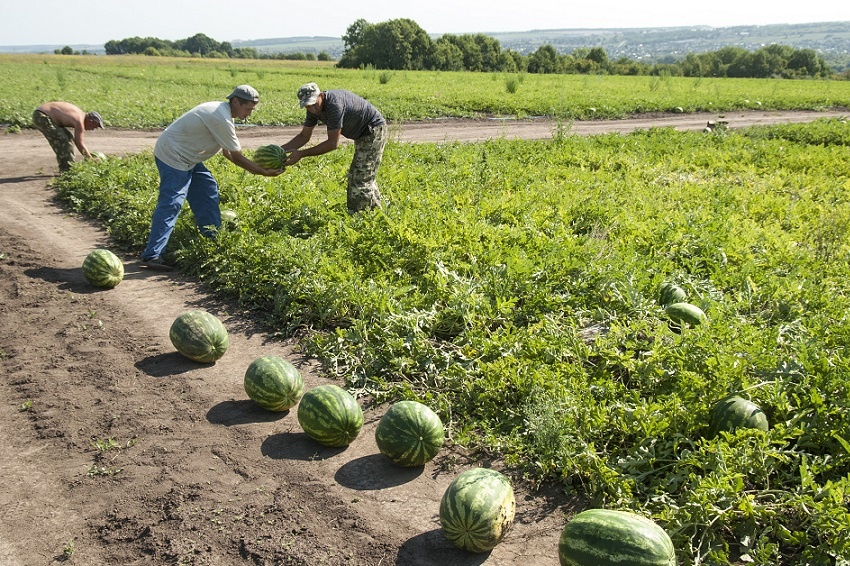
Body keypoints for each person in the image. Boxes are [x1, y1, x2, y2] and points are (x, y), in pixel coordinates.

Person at [139, 85, 284, 271]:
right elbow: (237, 157)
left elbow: (227, 153)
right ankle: (153, 255)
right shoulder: (220, 117)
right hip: (173, 156)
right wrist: (263, 172)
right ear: (236, 101)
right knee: (172, 203)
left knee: (207, 189)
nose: (249, 114)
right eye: (247, 108)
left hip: (188, 158)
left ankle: (213, 240)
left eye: (252, 110)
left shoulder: (224, 115)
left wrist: (256, 167)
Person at [282, 82, 387, 213]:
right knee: (361, 175)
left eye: (314, 104)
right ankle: (376, 212)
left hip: (373, 130)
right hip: (361, 134)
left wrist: (301, 154)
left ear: (321, 96)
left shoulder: (334, 105)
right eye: (308, 106)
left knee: (360, 177)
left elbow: (333, 144)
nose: (313, 109)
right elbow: (304, 136)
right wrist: (280, 151)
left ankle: (360, 216)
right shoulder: (313, 109)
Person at [32, 101, 104, 172]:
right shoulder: (80, 121)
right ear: (91, 121)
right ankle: (66, 169)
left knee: (68, 137)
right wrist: (89, 158)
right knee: (63, 140)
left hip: (43, 114)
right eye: (94, 127)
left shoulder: (80, 115)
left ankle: (68, 166)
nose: (93, 129)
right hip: (42, 116)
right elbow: (79, 143)